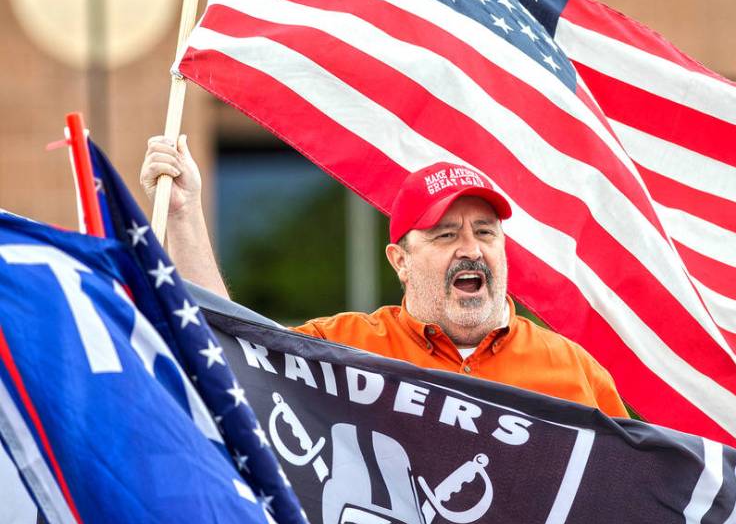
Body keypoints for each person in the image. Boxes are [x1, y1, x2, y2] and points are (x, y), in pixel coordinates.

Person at [140, 136, 627, 416]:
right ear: (400, 261)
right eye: (444, 235)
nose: (471, 249)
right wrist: (183, 215)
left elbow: (642, 509)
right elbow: (229, 358)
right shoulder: (342, 351)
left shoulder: (575, 372)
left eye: (485, 232)